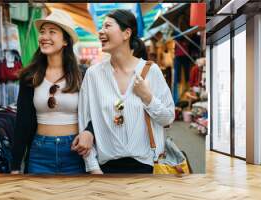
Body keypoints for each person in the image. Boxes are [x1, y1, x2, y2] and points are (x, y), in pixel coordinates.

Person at [77, 9, 175, 174]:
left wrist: (147, 97)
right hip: (105, 169)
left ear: (126, 33)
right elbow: (84, 121)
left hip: (146, 167)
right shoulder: (93, 74)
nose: (101, 31)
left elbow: (168, 118)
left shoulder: (151, 71)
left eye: (107, 26)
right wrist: (93, 168)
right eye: (101, 27)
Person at [10, 10, 94, 175]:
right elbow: (22, 122)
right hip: (39, 153)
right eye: (42, 32)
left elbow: (95, 113)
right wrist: (15, 166)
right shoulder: (30, 77)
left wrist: (89, 131)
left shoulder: (82, 75)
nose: (44, 36)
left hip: (75, 152)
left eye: (52, 32)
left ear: (65, 41)